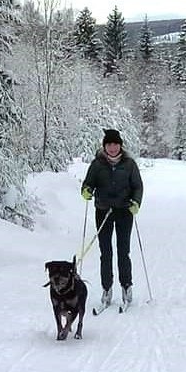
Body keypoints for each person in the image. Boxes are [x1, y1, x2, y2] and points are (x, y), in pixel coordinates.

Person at [81, 129, 144, 307]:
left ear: (120, 145)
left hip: (124, 211)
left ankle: (126, 286)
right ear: (104, 146)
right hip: (103, 211)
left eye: (115, 144)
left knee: (123, 251)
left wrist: (136, 202)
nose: (112, 148)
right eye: (109, 144)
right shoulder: (97, 164)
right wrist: (86, 191)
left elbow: (137, 186)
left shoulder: (129, 164)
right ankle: (107, 288)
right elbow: (88, 183)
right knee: (105, 252)